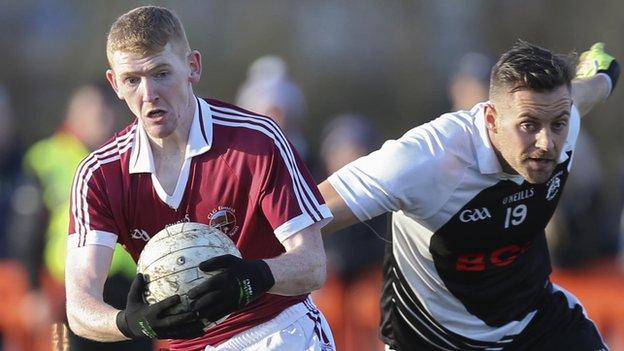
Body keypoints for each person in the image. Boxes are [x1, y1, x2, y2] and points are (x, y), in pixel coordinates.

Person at [64, 6, 335, 351]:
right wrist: (129, 322)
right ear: (114, 83)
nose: (148, 94)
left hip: (278, 332)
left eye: (161, 73)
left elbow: (312, 264)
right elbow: (79, 307)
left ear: (193, 66)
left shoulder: (256, 139)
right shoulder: (98, 174)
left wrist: (253, 277)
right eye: (132, 79)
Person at [319, 41, 619, 350]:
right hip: (430, 339)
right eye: (528, 125)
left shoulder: (560, 117)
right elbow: (301, 213)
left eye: (558, 124)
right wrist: (270, 270)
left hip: (533, 324)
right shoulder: (428, 158)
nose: (546, 142)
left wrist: (602, 72)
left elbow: (593, 85)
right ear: (491, 119)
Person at [21, 83, 147, 351]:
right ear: (72, 113)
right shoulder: (45, 157)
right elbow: (28, 228)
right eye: (89, 108)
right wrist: (33, 289)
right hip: (68, 290)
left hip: (129, 288)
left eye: (104, 108)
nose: (98, 115)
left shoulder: (137, 154)